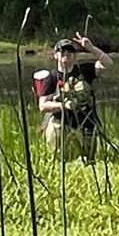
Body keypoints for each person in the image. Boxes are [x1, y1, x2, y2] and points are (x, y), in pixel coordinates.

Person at [35, 32, 113, 162]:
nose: (66, 54)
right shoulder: (51, 78)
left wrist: (91, 48)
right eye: (62, 51)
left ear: (75, 55)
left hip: (86, 121)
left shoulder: (85, 70)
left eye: (70, 51)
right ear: (55, 55)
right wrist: (63, 105)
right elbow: (42, 105)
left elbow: (108, 63)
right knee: (60, 157)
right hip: (61, 121)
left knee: (88, 160)